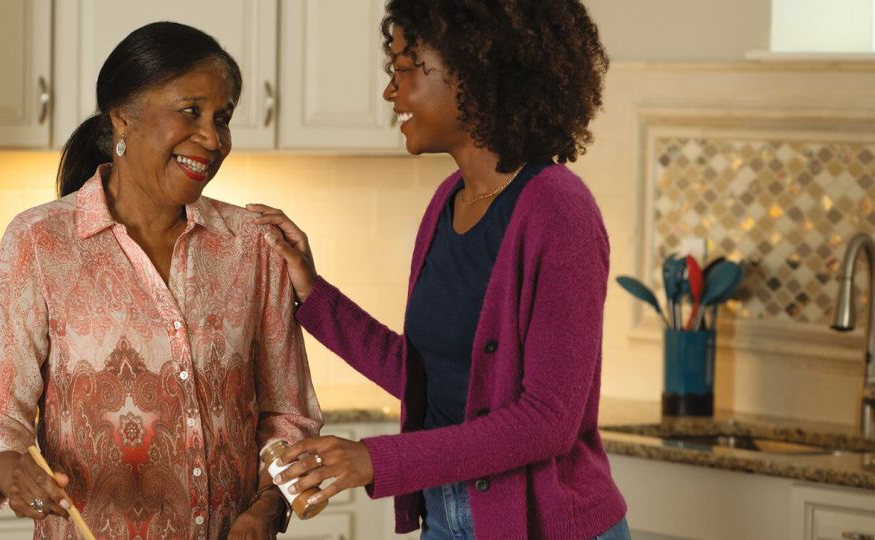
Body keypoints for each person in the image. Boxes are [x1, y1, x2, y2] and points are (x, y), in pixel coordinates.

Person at [248, 1, 628, 538]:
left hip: (545, 526)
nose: (391, 91)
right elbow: (427, 379)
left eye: (406, 69)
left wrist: (375, 459)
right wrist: (314, 293)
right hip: (447, 519)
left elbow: (547, 422)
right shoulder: (449, 201)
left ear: (475, 70)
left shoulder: (559, 211)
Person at [0, 21, 321, 539]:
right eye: (191, 112)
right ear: (122, 118)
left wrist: (270, 507)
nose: (213, 139)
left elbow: (289, 416)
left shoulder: (250, 245)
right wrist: (10, 469)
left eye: (223, 118)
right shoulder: (40, 242)